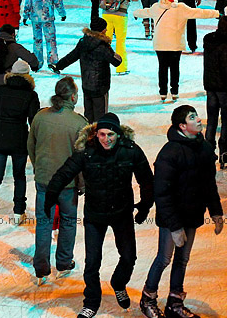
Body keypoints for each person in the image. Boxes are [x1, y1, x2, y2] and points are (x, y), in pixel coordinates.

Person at [45, 113, 154, 318]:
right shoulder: (87, 153)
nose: (106, 139)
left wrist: (145, 206)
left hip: (121, 213)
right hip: (95, 215)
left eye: (111, 134)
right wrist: (50, 196)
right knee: (92, 262)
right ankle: (91, 301)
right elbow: (64, 173)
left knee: (129, 257)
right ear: (96, 134)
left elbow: (147, 180)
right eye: (102, 134)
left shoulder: (130, 151)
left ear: (118, 134)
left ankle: (118, 283)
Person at [139, 106, 224, 318]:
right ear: (182, 126)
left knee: (182, 259)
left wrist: (216, 212)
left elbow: (208, 185)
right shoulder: (170, 152)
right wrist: (174, 226)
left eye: (196, 115)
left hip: (192, 215)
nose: (198, 120)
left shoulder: (204, 148)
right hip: (172, 218)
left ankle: (174, 303)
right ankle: (147, 298)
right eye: (192, 117)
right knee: (164, 258)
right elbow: (162, 193)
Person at [27, 77, 88, 283]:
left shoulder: (40, 117)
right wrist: (82, 184)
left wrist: (39, 168)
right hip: (67, 185)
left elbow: (31, 146)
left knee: (44, 222)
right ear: (72, 96)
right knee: (69, 222)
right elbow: (82, 159)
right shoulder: (79, 123)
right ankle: (63, 262)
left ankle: (41, 267)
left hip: (44, 180)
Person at [0, 59, 40, 229]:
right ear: (27, 76)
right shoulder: (31, 95)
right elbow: (33, 120)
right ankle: (18, 211)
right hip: (19, 138)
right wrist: (35, 141)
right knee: (19, 176)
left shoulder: (0, 90)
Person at [134, 0, 221, 101]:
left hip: (160, 44)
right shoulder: (181, 8)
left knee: (162, 67)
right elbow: (199, 12)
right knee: (175, 68)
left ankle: (163, 93)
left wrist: (135, 13)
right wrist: (216, 13)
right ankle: (174, 91)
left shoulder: (156, 7)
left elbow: (144, 12)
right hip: (175, 44)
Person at [50, 17, 121, 122]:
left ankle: (88, 135)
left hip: (87, 85)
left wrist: (59, 65)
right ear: (101, 30)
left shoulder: (83, 42)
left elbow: (72, 56)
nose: (106, 30)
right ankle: (97, 137)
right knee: (100, 117)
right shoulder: (102, 46)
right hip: (100, 88)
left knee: (88, 115)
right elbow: (117, 62)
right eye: (105, 28)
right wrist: (111, 50)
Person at [100, 0, 140, 75]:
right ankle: (121, 68)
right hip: (120, 15)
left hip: (106, 14)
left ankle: (102, 66)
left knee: (105, 42)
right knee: (120, 42)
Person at [23, 0, 66, 69]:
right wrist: (62, 13)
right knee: (50, 39)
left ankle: (37, 61)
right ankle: (52, 62)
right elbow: (58, 0)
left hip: (35, 17)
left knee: (37, 40)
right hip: (48, 18)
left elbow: (28, 1)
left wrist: (25, 15)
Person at [203, 14, 227, 168]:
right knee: (226, 120)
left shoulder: (208, 39)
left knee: (211, 120)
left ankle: (208, 150)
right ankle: (224, 152)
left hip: (210, 86)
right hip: (224, 88)